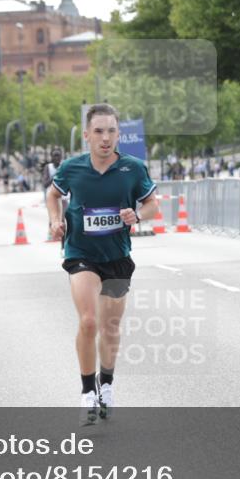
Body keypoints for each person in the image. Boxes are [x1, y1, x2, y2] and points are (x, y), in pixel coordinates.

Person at [46, 103, 160, 426]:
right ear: (87, 136)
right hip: (81, 252)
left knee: (109, 328)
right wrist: (55, 221)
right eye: (98, 131)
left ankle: (106, 385)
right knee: (88, 321)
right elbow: (52, 195)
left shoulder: (133, 168)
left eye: (111, 131)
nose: (105, 138)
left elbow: (152, 204)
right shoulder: (72, 168)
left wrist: (136, 215)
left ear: (118, 134)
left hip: (117, 257)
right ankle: (86, 392)